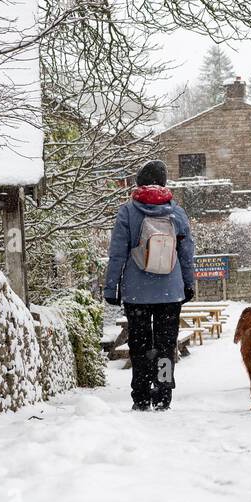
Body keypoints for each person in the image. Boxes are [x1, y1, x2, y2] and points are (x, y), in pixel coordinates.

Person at [104, 160, 196, 411]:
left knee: (140, 345)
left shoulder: (128, 212)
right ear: (164, 182)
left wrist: (111, 288)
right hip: (171, 291)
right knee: (166, 345)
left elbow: (117, 254)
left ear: (139, 182)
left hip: (137, 293)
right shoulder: (176, 213)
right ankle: (163, 393)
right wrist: (188, 284)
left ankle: (142, 395)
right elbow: (187, 253)